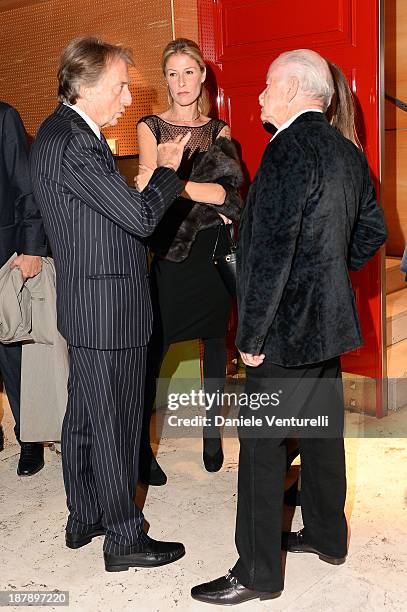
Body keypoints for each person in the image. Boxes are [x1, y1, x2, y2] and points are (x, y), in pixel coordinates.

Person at [191, 49, 387, 605]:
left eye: (268, 84)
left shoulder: (285, 153)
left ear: (297, 88)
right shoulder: (347, 153)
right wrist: (328, 270)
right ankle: (328, 535)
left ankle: (256, 573)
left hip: (283, 329)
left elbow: (271, 256)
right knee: (323, 433)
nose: (258, 95)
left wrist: (248, 338)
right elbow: (373, 230)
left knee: (260, 448)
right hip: (328, 322)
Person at [30, 36, 191, 572]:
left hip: (93, 304)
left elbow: (108, 217)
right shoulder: (74, 141)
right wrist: (169, 169)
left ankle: (85, 516)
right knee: (117, 423)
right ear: (90, 83)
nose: (128, 99)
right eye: (121, 86)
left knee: (82, 417)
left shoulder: (66, 133)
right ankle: (123, 537)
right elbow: (143, 218)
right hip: (109, 308)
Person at [136, 38, 242, 485]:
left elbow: (231, 197)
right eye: (172, 74)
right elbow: (146, 194)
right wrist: (199, 192)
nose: (181, 82)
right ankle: (140, 447)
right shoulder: (150, 127)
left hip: (212, 253)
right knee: (153, 350)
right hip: (173, 256)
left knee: (215, 345)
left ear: (203, 77)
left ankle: (212, 433)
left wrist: (175, 184)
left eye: (189, 72)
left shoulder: (218, 130)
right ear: (167, 80)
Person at [0, 101, 48, 475]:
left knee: (11, 351)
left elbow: (26, 188)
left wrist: (32, 248)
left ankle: (28, 437)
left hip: (4, 257)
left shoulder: (4, 116)